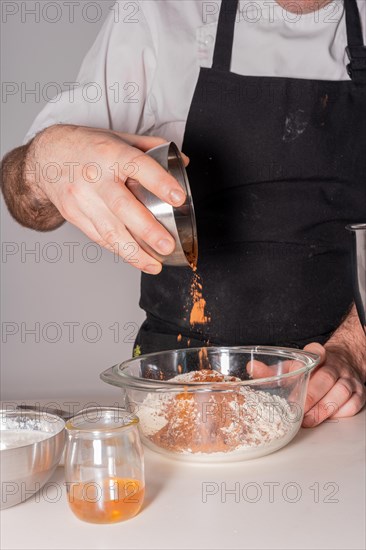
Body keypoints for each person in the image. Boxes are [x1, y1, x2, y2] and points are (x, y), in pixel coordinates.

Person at [1, 0, 365, 428]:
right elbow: (26, 201)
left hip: (335, 394)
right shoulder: (158, 12)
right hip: (177, 382)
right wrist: (44, 161)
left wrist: (353, 347)